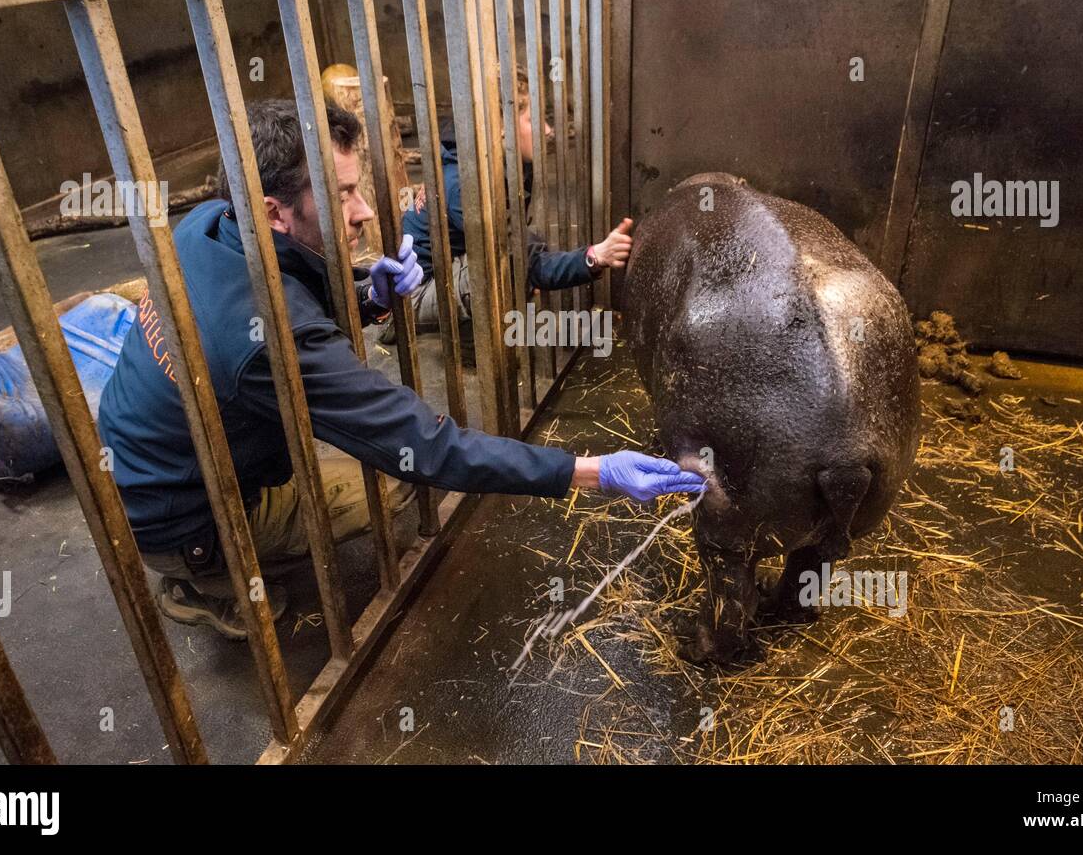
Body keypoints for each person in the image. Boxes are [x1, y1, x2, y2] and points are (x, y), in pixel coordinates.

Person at [96, 98, 704, 640]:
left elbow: (283, 298)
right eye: (340, 195)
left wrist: (367, 298)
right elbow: (426, 441)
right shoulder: (264, 340)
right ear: (273, 211)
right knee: (398, 474)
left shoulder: (204, 224)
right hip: (183, 515)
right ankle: (206, 582)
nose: (363, 211)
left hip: (153, 453)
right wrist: (594, 471)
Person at [398, 69, 634, 340]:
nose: (547, 129)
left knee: (520, 253)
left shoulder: (490, 161)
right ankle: (471, 342)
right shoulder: (465, 185)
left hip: (446, 269)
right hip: (411, 298)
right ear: (501, 127)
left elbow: (519, 241)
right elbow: (523, 259)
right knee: (508, 265)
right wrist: (594, 256)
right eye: (533, 119)